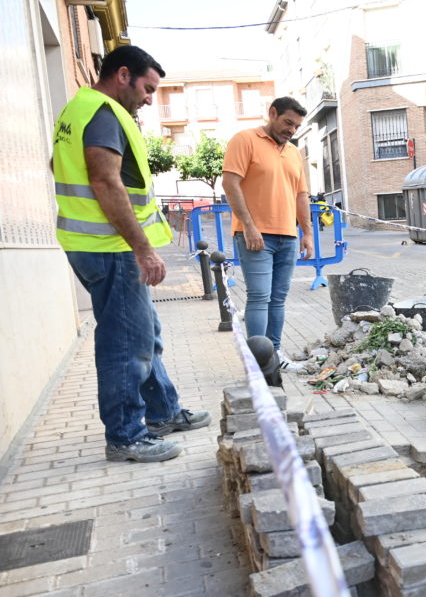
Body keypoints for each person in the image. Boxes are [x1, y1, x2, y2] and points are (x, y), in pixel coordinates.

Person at [52, 45, 210, 463]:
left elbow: (58, 165)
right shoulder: (103, 113)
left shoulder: (79, 109)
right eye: (148, 88)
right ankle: (126, 436)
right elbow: (105, 182)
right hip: (111, 248)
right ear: (123, 75)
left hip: (96, 245)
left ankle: (163, 412)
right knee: (127, 344)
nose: (149, 98)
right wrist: (144, 249)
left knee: (145, 334)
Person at [222, 97, 314, 365]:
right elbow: (230, 184)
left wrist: (306, 232)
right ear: (272, 113)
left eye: (296, 126)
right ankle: (257, 359)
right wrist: (249, 226)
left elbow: (301, 195)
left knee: (278, 299)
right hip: (256, 236)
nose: (291, 130)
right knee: (260, 296)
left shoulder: (294, 152)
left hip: (287, 235)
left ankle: (274, 354)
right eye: (287, 122)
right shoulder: (245, 140)